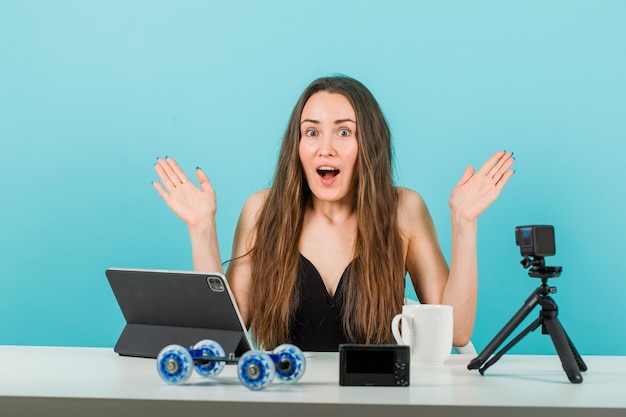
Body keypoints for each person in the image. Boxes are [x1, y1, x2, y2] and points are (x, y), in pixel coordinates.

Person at [152, 75, 515, 352]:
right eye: (311, 132)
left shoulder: (404, 209)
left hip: (378, 400)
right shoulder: (263, 211)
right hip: (287, 398)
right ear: (297, 147)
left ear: (367, 145)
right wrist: (202, 229)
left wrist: (464, 223)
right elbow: (225, 335)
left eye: (344, 132)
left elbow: (456, 332)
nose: (325, 148)